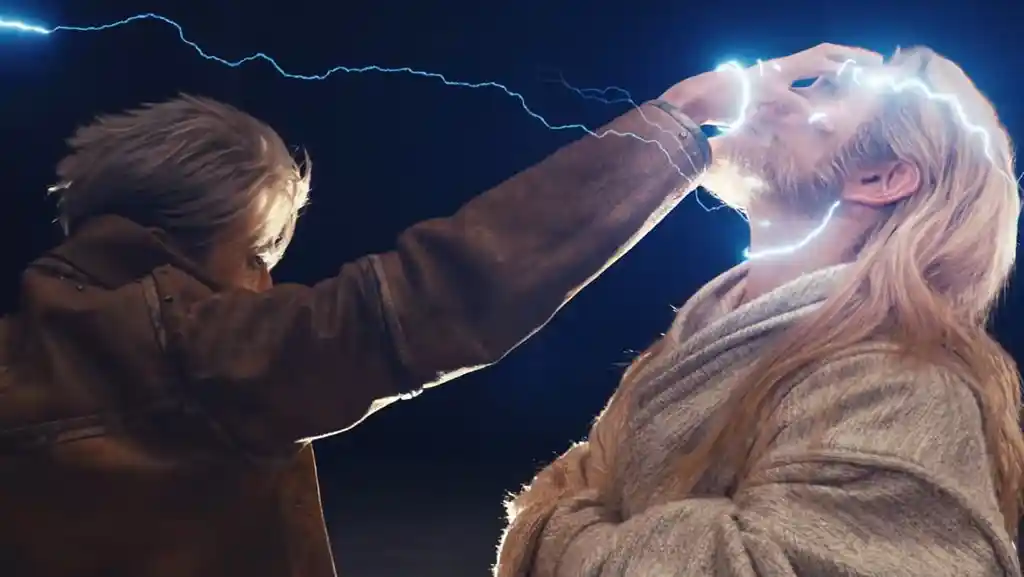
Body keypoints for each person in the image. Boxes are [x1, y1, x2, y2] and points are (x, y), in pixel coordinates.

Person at [0, 61, 737, 575]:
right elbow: (436, 296)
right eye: (254, 253)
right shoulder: (190, 349)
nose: (265, 282)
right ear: (178, 230)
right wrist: (674, 129)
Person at [496, 46, 1023, 577]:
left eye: (828, 88)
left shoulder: (904, 387)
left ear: (879, 179)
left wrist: (557, 529)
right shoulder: (679, 355)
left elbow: (559, 507)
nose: (770, 90)